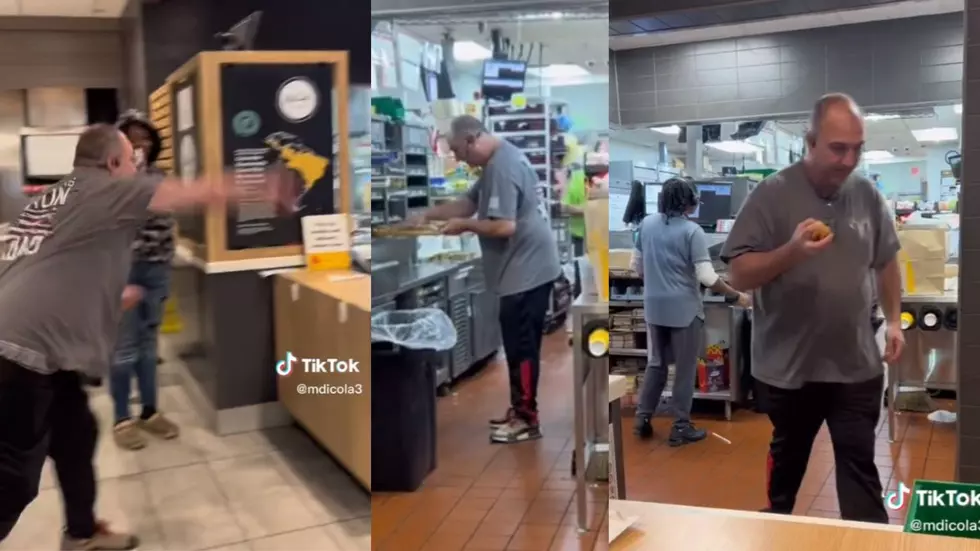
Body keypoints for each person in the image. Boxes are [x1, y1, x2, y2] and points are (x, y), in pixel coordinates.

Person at [0, 124, 271, 549]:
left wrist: (110, 293)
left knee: (76, 436)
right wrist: (269, 184)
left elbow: (47, 265)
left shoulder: (53, 197)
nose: (136, 168)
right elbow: (197, 192)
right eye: (131, 160)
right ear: (112, 163)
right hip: (18, 359)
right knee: (11, 481)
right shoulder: (105, 187)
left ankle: (82, 535)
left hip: (42, 355)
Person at [720, 92, 904, 523]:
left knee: (860, 466)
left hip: (856, 365)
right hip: (789, 369)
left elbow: (887, 261)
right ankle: (776, 520)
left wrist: (894, 320)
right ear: (810, 141)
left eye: (857, 148)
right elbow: (740, 275)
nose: (848, 159)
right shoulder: (771, 195)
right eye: (838, 148)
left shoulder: (868, 196)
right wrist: (791, 252)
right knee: (788, 460)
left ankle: (866, 540)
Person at [409, 115, 560, 444]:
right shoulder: (495, 162)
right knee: (518, 345)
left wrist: (464, 226)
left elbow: (504, 226)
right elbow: (468, 203)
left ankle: (526, 418)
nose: (460, 160)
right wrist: (426, 214)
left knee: (522, 349)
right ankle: (520, 408)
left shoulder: (503, 167)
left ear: (472, 139)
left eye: (459, 152)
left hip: (526, 271)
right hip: (522, 269)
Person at [630, 177, 749, 446]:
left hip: (654, 306)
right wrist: (736, 295)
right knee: (684, 369)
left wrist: (659, 281)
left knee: (657, 363)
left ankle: (643, 418)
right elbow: (707, 276)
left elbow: (636, 265)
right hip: (684, 309)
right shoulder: (692, 232)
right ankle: (681, 426)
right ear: (689, 202)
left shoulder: (646, 224)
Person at [110, 111, 179, 450]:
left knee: (149, 347)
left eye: (145, 138)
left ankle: (150, 411)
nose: (141, 144)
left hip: (156, 270)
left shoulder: (160, 178)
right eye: (132, 138)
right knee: (123, 350)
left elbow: (164, 224)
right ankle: (122, 418)